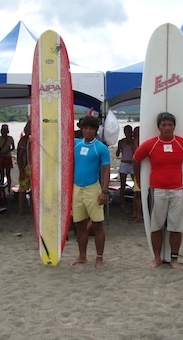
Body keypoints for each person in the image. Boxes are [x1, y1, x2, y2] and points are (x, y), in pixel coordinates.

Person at [133, 112, 183, 269]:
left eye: (170, 125)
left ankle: (174, 259)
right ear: (159, 127)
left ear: (174, 126)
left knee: (176, 227)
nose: (167, 128)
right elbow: (136, 159)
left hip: (177, 191)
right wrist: (138, 180)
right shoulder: (150, 144)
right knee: (156, 226)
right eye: (164, 125)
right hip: (157, 191)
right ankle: (157, 258)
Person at [69, 115, 111, 269]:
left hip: (93, 188)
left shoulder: (101, 148)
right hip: (77, 188)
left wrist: (104, 191)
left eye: (91, 128)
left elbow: (106, 170)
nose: (87, 131)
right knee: (79, 224)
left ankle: (99, 258)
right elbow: (56, 140)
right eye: (85, 128)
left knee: (98, 224)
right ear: (81, 129)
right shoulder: (75, 144)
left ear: (95, 130)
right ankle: (82, 256)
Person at [115, 125, 134, 211]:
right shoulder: (121, 142)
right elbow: (117, 153)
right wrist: (119, 149)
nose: (127, 133)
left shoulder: (134, 141)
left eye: (129, 131)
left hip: (132, 164)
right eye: (126, 131)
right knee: (122, 185)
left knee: (136, 184)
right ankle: (122, 204)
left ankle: (134, 202)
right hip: (124, 163)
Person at [0, 124, 15, 194]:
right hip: (4, 156)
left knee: (7, 174)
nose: (4, 132)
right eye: (3, 130)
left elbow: (13, 147)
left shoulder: (7, 138)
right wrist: (1, 152)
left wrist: (2, 152)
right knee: (2, 174)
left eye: (5, 130)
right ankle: (4, 189)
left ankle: (8, 188)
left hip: (5, 157)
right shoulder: (6, 138)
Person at [17, 121, 31, 216]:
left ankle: (30, 209)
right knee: (22, 190)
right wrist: (21, 169)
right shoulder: (23, 141)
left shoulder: (32, 140)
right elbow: (19, 156)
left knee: (32, 190)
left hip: (31, 166)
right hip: (25, 167)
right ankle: (21, 210)